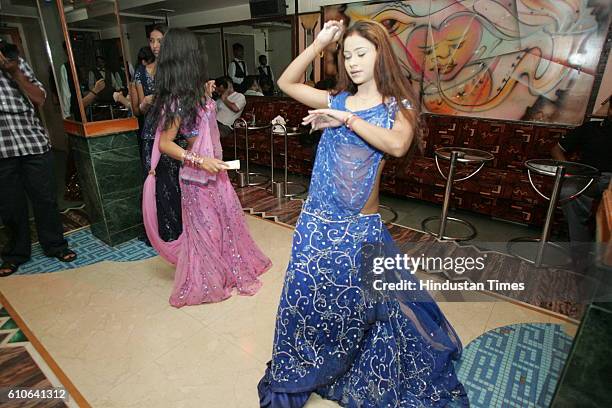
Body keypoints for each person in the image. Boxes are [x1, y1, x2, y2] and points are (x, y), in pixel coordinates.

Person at [257, 20, 468, 406]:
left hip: (359, 229)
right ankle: (308, 364)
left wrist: (346, 119)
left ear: (379, 55)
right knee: (305, 298)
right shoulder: (336, 99)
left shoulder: (396, 105)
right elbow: (287, 83)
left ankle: (348, 361)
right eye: (346, 55)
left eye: (361, 54)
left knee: (363, 307)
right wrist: (319, 43)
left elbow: (398, 144)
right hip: (316, 224)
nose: (352, 63)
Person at [142, 28, 271, 307]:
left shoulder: (193, 89)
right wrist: (200, 160)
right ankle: (209, 276)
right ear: (186, 56)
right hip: (196, 177)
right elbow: (166, 143)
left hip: (215, 173)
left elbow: (199, 131)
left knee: (226, 221)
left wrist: (205, 96)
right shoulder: (174, 98)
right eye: (196, 51)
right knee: (208, 229)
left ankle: (225, 270)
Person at [0, 42, 77, 277]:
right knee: (10, 205)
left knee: (45, 198)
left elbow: (39, 98)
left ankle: (55, 245)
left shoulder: (18, 64)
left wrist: (14, 73)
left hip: (32, 143)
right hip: (2, 150)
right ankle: (16, 253)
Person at [134, 24, 183, 242]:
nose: (154, 46)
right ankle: (160, 232)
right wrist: (145, 102)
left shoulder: (176, 68)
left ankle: (178, 230)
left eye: (159, 41)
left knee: (175, 182)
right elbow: (137, 110)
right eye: (151, 41)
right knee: (156, 181)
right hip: (151, 133)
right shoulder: (143, 71)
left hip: (174, 132)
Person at [551, 99, 612, 254]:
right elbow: (556, 150)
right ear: (610, 110)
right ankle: (581, 247)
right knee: (567, 192)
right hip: (587, 176)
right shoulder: (590, 128)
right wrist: (570, 171)